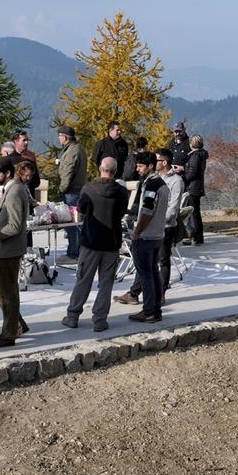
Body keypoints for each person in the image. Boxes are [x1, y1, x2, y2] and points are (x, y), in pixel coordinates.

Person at [62, 157, 129, 331]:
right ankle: (100, 320)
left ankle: (72, 316)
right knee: (106, 283)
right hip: (112, 242)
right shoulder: (121, 192)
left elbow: (82, 210)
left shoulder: (88, 189)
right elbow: (122, 212)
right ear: (115, 171)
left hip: (91, 241)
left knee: (83, 279)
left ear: (100, 169)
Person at [116, 148, 184, 305]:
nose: (137, 169)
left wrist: (144, 227)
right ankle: (136, 294)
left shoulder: (174, 182)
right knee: (147, 265)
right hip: (151, 228)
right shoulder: (153, 180)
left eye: (158, 160)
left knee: (161, 261)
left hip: (162, 228)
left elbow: (171, 209)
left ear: (163, 162)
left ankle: (159, 295)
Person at [0, 156, 31, 348]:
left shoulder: (15, 190)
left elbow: (16, 226)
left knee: (9, 291)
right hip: (4, 249)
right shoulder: (9, 189)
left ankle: (9, 334)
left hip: (10, 249)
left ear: (7, 173)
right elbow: (8, 217)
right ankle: (17, 323)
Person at [128, 151, 170, 323]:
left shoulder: (152, 185)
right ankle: (156, 310)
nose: (138, 169)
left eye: (140, 166)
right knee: (153, 273)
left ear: (150, 166)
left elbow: (147, 210)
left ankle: (148, 311)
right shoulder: (162, 184)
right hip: (158, 234)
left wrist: (137, 231)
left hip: (147, 236)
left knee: (145, 274)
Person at [55, 125, 87, 260]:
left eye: (60, 136)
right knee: (77, 222)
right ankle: (76, 251)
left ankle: (74, 253)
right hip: (77, 189)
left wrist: (62, 188)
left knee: (72, 224)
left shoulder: (71, 151)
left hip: (71, 191)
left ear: (65, 137)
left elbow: (68, 171)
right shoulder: (77, 148)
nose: (59, 139)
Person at [183, 135, 209, 245]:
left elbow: (192, 173)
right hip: (197, 187)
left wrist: (183, 177)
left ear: (191, 144)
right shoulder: (201, 155)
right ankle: (197, 236)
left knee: (193, 214)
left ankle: (196, 236)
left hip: (192, 187)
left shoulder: (195, 156)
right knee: (196, 213)